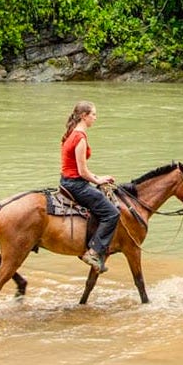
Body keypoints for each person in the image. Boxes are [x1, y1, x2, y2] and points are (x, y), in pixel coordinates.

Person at [60, 100, 120, 273]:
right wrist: (98, 180)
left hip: (69, 181)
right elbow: (82, 171)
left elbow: (80, 170)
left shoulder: (72, 133)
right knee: (112, 213)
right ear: (84, 116)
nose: (95, 118)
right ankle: (93, 252)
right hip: (76, 184)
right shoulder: (80, 137)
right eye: (93, 114)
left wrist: (99, 177)